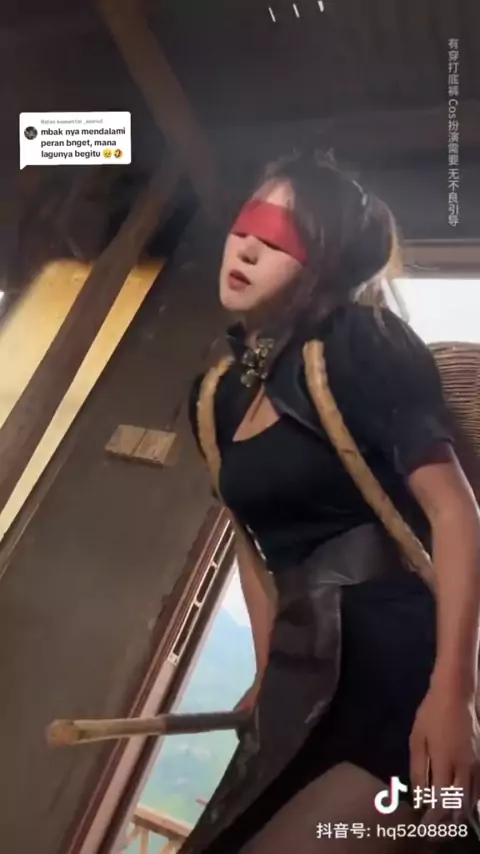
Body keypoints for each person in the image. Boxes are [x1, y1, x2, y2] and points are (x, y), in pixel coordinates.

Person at [186, 151, 480, 854]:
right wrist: (268, 673)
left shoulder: (361, 343)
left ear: (324, 264)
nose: (247, 246)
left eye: (280, 236)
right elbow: (251, 546)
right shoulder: (218, 393)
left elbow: (455, 513)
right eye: (247, 224)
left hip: (399, 668)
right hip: (303, 674)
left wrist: (453, 695)